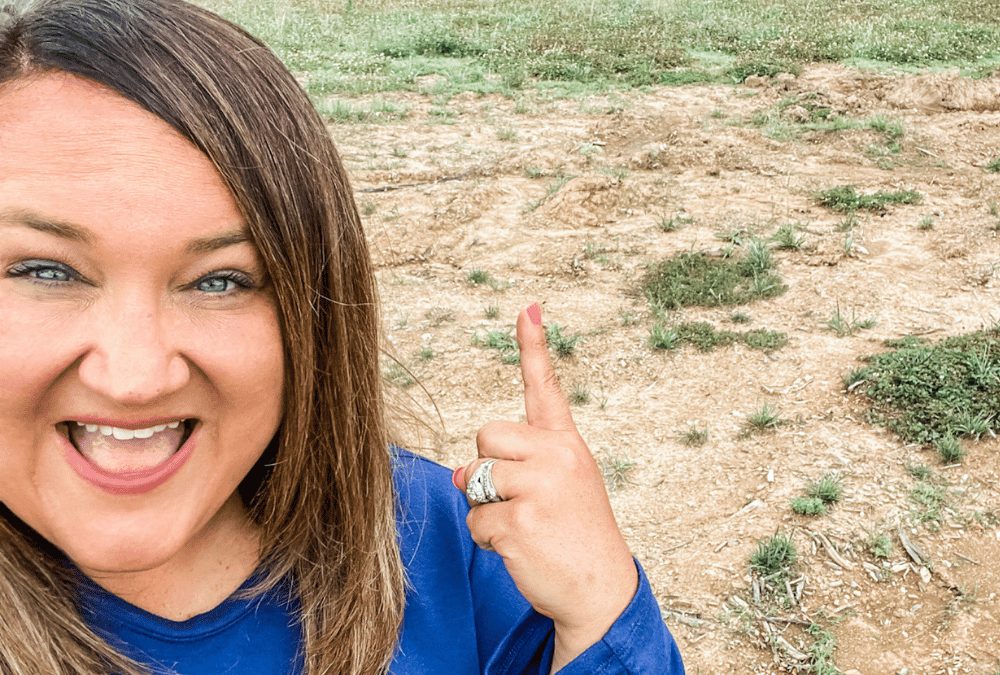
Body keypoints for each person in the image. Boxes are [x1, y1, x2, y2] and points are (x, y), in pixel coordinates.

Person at [0, 1, 685, 673]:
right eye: (45, 270)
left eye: (220, 281)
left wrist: (599, 610)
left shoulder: (452, 543)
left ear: (314, 313)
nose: (135, 377)